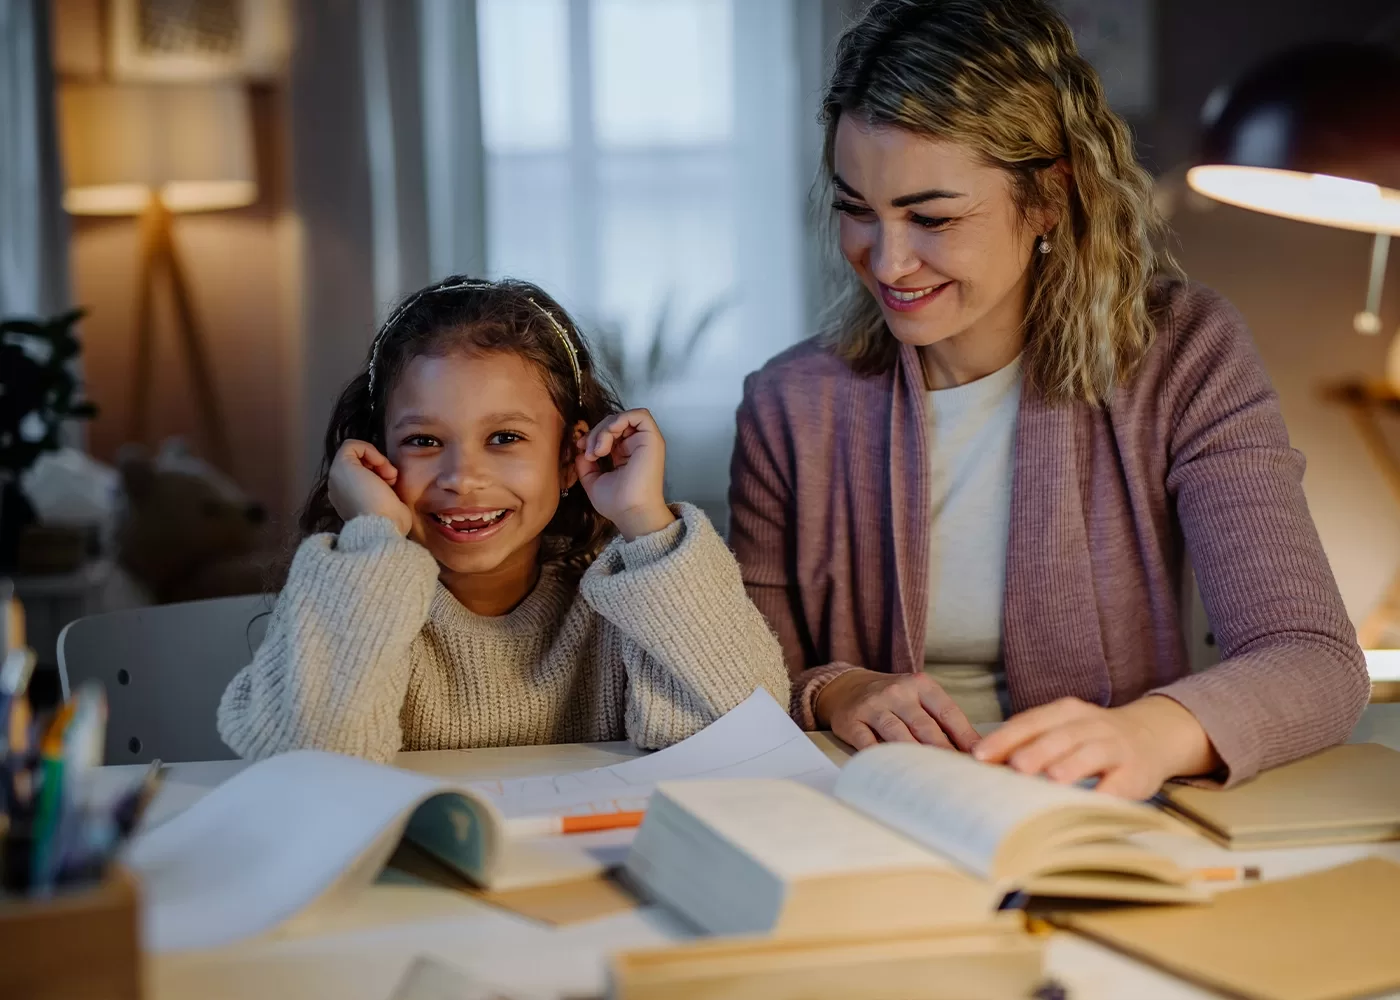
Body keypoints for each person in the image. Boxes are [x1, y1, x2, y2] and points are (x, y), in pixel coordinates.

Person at [728, 0, 1368, 797]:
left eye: (931, 216)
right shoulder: (788, 405)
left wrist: (1147, 731)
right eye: (857, 210)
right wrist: (836, 689)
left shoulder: (1184, 353)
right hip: (863, 814)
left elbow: (1314, 658)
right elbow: (743, 681)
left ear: (1049, 199)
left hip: (1098, 815)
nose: (888, 262)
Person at [219, 276, 789, 763]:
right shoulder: (350, 593)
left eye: (505, 438)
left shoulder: (628, 606)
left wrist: (647, 522)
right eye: (422, 440)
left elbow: (749, 738)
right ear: (377, 460)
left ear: (571, 457)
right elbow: (302, 764)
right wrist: (373, 536)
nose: (462, 477)